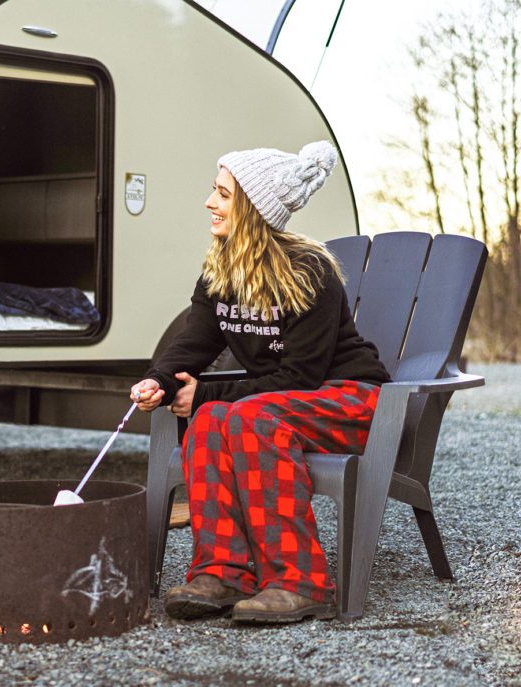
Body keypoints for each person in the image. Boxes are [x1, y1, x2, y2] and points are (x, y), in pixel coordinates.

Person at [130, 141, 390, 624]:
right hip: (280, 406)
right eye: (214, 191)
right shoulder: (220, 273)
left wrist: (207, 391)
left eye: (223, 195)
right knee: (208, 420)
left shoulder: (309, 271)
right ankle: (222, 571)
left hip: (352, 401)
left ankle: (300, 582)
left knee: (243, 416)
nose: (210, 203)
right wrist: (159, 380)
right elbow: (194, 343)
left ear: (253, 207)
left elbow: (301, 376)